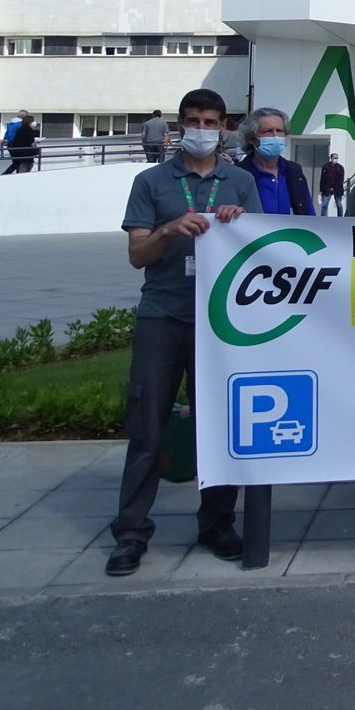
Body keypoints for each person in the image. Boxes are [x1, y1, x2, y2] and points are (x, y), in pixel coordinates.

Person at [106, 88, 261, 577]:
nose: (202, 129)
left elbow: (260, 253)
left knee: (217, 425)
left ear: (224, 127)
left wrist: (241, 225)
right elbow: (136, 256)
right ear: (178, 126)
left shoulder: (239, 181)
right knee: (147, 424)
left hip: (218, 322)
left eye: (211, 122)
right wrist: (168, 231)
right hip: (163, 314)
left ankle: (216, 522)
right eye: (193, 120)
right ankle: (131, 531)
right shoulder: (151, 181)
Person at [235, 108, 315, 216]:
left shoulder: (294, 171)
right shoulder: (238, 174)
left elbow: (309, 214)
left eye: (279, 131)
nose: (275, 136)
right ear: (252, 139)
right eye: (268, 131)